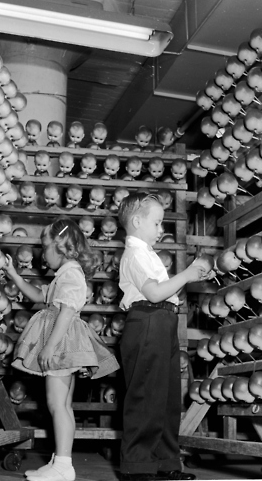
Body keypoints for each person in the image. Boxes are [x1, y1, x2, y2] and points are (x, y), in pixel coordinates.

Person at [5, 217, 120, 481]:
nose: (42, 254)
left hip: (61, 344)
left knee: (56, 404)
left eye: (45, 248)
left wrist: (49, 346)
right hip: (64, 343)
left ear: (61, 247)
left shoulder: (70, 274)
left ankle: (64, 466)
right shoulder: (65, 274)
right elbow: (39, 296)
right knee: (63, 405)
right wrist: (14, 276)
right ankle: (60, 461)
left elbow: (67, 312)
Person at [117, 193, 207, 481]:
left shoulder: (147, 254)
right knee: (146, 396)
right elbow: (154, 293)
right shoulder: (134, 254)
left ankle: (164, 461)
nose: (161, 229)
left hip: (163, 321)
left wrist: (190, 275)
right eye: (156, 223)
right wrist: (187, 274)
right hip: (148, 321)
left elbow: (164, 292)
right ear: (136, 221)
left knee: (166, 397)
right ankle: (137, 465)